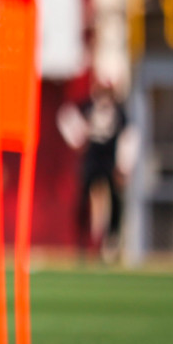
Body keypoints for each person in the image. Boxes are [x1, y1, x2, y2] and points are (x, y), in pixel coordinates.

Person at [57, 78, 129, 263]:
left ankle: (111, 242)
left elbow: (128, 136)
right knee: (83, 198)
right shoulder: (88, 107)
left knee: (115, 200)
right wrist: (77, 137)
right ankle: (82, 240)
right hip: (92, 159)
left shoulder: (119, 112)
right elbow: (66, 115)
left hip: (109, 160)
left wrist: (123, 165)